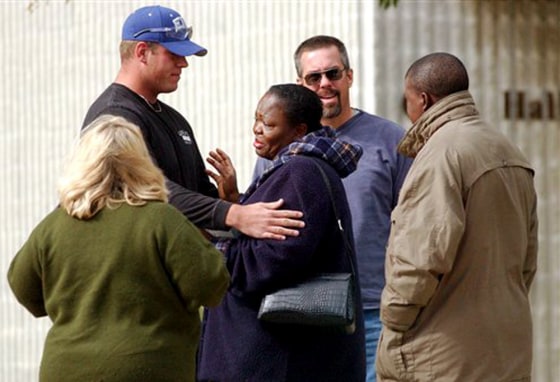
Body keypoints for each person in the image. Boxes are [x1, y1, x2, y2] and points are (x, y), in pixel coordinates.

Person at [7, 115, 230, 382]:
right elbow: (211, 284)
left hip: (65, 368)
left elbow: (22, 286)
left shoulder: (54, 225)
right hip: (149, 367)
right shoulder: (162, 219)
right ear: (142, 162)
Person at [252, 35, 413, 381]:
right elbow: (258, 221)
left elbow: (414, 225)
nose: (325, 83)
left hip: (373, 312)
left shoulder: (390, 139)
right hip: (297, 308)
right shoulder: (281, 143)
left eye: (333, 73)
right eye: (314, 77)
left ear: (349, 76)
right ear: (301, 84)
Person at [376, 52, 538, 381]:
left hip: (441, 350)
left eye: (407, 101)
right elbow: (527, 259)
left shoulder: (441, 154)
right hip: (507, 343)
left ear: (423, 99)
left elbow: (420, 255)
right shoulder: (508, 149)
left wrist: (394, 322)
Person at [82, 4, 303, 241]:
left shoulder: (175, 119)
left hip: (176, 264)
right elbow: (147, 191)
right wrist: (234, 214)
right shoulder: (114, 115)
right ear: (142, 52)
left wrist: (228, 198)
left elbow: (196, 193)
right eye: (174, 54)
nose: (184, 63)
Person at [197, 84, 366, 381]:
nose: (257, 129)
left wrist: (208, 250)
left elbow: (273, 259)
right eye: (257, 119)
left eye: (269, 124)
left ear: (299, 131)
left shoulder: (301, 173)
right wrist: (234, 203)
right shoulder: (299, 169)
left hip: (276, 358)